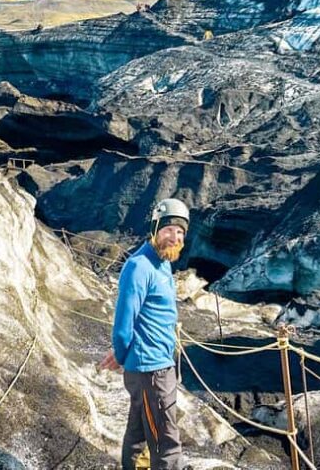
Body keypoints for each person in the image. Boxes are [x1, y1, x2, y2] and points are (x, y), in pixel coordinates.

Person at [99, 198, 191, 470]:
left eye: (181, 232)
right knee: (166, 444)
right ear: (155, 229)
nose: (175, 236)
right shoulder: (140, 266)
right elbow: (124, 322)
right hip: (151, 372)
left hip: (158, 365)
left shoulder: (162, 262)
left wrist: (124, 354)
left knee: (140, 434)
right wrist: (124, 354)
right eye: (169, 229)